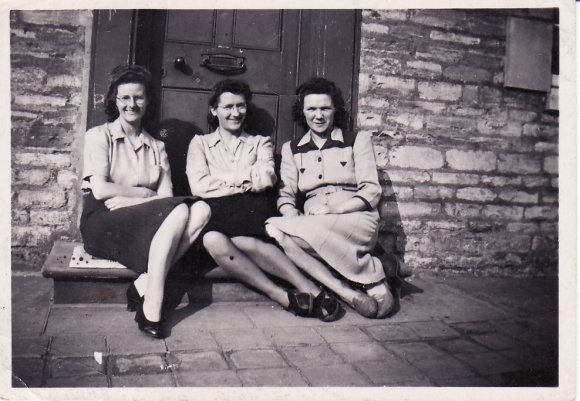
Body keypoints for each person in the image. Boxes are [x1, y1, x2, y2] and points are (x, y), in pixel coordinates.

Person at [186, 79, 343, 322]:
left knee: (226, 238)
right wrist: (245, 179)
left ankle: (308, 290)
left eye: (240, 106)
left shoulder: (260, 142)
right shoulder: (200, 144)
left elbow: (266, 179)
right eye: (228, 107)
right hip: (215, 213)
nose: (235, 113)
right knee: (211, 238)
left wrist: (220, 181)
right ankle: (284, 295)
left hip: (249, 210)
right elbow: (199, 186)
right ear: (214, 110)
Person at [80, 65, 211, 339]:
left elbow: (166, 196)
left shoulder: (157, 146)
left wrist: (133, 200)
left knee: (201, 209)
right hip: (104, 221)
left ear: (148, 101)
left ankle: (144, 282)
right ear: (114, 101)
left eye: (138, 97)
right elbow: (101, 191)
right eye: (125, 98)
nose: (132, 104)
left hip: (141, 220)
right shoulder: (98, 136)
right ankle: (153, 305)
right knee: (178, 211)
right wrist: (145, 195)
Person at [265, 77, 395, 318]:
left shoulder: (357, 140)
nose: (318, 115)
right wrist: (293, 218)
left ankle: (374, 279)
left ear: (335, 109)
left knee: (302, 239)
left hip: (354, 216)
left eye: (325, 108)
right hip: (315, 222)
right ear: (302, 112)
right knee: (274, 230)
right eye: (311, 109)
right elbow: (286, 194)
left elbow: (371, 190)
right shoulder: (291, 149)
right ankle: (349, 292)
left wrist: (335, 210)